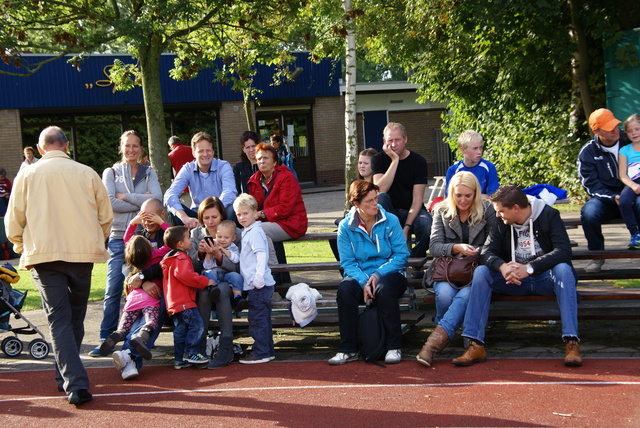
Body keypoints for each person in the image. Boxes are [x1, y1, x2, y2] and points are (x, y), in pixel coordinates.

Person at [4, 126, 113, 406]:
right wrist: (94, 241)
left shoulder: (26, 174)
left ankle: (72, 380)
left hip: (44, 254)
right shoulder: (87, 172)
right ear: (66, 146)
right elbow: (105, 216)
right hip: (82, 254)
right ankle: (70, 378)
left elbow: (13, 220)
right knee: (75, 316)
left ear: (41, 149)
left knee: (59, 318)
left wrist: (20, 246)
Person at [452, 185, 582, 368]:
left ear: (516, 208)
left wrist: (529, 267)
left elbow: (563, 251)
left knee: (563, 269)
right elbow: (487, 253)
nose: (497, 215)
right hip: (512, 280)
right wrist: (502, 266)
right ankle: (475, 345)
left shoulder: (548, 215)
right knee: (482, 272)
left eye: (501, 211)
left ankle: (572, 343)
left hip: (543, 278)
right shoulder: (500, 221)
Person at [90, 130, 162, 357]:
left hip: (144, 239)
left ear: (141, 148)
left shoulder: (148, 172)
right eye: (127, 146)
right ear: (121, 148)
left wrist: (125, 197)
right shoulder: (110, 172)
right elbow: (110, 202)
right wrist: (143, 201)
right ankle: (105, 337)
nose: (131, 150)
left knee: (141, 286)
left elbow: (157, 201)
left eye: (136, 146)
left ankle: (134, 337)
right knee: (113, 289)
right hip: (119, 238)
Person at [417, 172, 496, 367]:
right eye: (458, 195)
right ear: (451, 193)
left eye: (468, 196)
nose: (463, 200)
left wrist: (476, 252)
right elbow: (434, 247)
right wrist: (456, 248)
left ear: (476, 193)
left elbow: (494, 245)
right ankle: (461, 336)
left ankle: (433, 345)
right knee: (444, 295)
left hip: (476, 271)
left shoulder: (487, 210)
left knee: (466, 295)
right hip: (447, 270)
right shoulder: (441, 210)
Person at [329, 180, 409, 366]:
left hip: (391, 275)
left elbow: (401, 255)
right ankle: (347, 349)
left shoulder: (391, 220)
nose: (375, 204)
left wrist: (377, 275)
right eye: (369, 201)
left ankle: (393, 346)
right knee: (345, 290)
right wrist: (365, 281)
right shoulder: (345, 226)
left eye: (376, 198)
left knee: (384, 288)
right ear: (356, 204)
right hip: (360, 277)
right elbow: (347, 262)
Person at [109, 198, 170, 380]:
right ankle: (130, 357)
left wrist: (144, 276)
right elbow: (128, 261)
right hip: (141, 291)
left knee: (150, 319)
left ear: (162, 215)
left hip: (162, 290)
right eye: (143, 217)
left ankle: (128, 357)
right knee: (138, 321)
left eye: (151, 217)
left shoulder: (167, 235)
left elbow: (167, 259)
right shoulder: (139, 237)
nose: (147, 222)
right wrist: (142, 281)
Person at [578, 108, 639, 272]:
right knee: (589, 212)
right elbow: (590, 185)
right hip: (606, 200)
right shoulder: (588, 152)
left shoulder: (630, 140)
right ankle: (597, 257)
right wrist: (613, 197)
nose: (615, 130)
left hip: (634, 194)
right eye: (609, 128)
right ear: (596, 131)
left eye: (615, 125)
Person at [371, 122, 432, 265]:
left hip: (411, 210)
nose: (393, 144)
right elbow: (380, 190)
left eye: (397, 140)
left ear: (405, 139)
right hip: (388, 213)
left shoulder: (418, 162)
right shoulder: (378, 159)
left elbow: (417, 200)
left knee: (427, 224)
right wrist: (394, 161)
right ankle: (390, 258)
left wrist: (406, 228)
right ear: (384, 142)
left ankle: (415, 262)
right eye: (389, 140)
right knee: (381, 197)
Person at [188, 197, 238, 369]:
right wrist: (200, 254)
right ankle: (199, 345)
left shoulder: (232, 231)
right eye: (206, 218)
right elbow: (191, 267)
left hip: (230, 281)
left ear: (221, 216)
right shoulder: (196, 234)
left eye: (214, 217)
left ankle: (226, 346)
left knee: (222, 290)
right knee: (204, 291)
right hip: (206, 280)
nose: (210, 222)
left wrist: (218, 256)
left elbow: (237, 267)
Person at [248, 143, 308, 283]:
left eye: (265, 158)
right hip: (270, 223)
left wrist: (261, 214)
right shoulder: (254, 181)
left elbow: (285, 207)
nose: (262, 161)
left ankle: (272, 271)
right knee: (246, 232)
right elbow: (252, 206)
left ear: (275, 162)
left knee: (259, 231)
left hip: (292, 222)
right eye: (259, 159)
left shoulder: (286, 177)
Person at [99, 236, 160, 361]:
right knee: (150, 322)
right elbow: (168, 247)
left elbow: (127, 238)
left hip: (132, 300)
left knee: (125, 327)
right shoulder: (154, 258)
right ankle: (141, 338)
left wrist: (132, 224)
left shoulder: (130, 266)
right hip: (150, 300)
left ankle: (118, 334)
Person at [161, 226, 214, 367]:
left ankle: (179, 358)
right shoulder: (182, 257)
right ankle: (192, 353)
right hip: (184, 301)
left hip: (174, 303)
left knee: (181, 330)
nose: (191, 240)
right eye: (188, 237)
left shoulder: (169, 259)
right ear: (180, 244)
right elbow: (185, 275)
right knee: (197, 325)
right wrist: (204, 281)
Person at [233, 193, 276, 364]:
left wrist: (258, 277)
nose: (242, 217)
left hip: (259, 284)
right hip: (255, 283)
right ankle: (267, 349)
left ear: (254, 212)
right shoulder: (248, 231)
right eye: (239, 214)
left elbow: (261, 255)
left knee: (257, 318)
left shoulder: (255, 232)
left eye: (245, 213)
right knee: (261, 318)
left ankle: (261, 351)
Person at [164, 131, 237, 227]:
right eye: (201, 151)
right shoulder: (188, 169)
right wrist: (184, 218)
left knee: (233, 208)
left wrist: (213, 213)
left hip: (220, 213)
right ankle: (184, 239)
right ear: (193, 153)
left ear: (213, 151)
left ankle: (227, 238)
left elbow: (230, 192)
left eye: (208, 150)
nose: (205, 154)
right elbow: (170, 195)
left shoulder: (224, 166)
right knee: (173, 208)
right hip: (197, 216)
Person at [201, 219, 246, 310]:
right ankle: (213, 289)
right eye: (219, 236)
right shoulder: (213, 244)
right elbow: (207, 266)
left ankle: (237, 297)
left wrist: (224, 252)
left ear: (233, 238)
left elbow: (236, 259)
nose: (222, 240)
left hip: (225, 274)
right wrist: (209, 253)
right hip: (213, 274)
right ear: (216, 235)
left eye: (226, 237)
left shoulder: (233, 247)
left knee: (236, 276)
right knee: (209, 272)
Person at [444, 130, 499, 198]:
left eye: (480, 147)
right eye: (475, 148)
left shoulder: (489, 167)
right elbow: (449, 197)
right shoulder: (453, 170)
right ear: (463, 150)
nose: (479, 152)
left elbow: (494, 197)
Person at [618, 114, 640, 249]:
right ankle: (635, 233)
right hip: (633, 183)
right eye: (630, 131)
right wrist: (634, 186)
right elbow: (622, 174)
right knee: (624, 201)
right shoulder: (624, 150)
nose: (634, 133)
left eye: (637, 129)